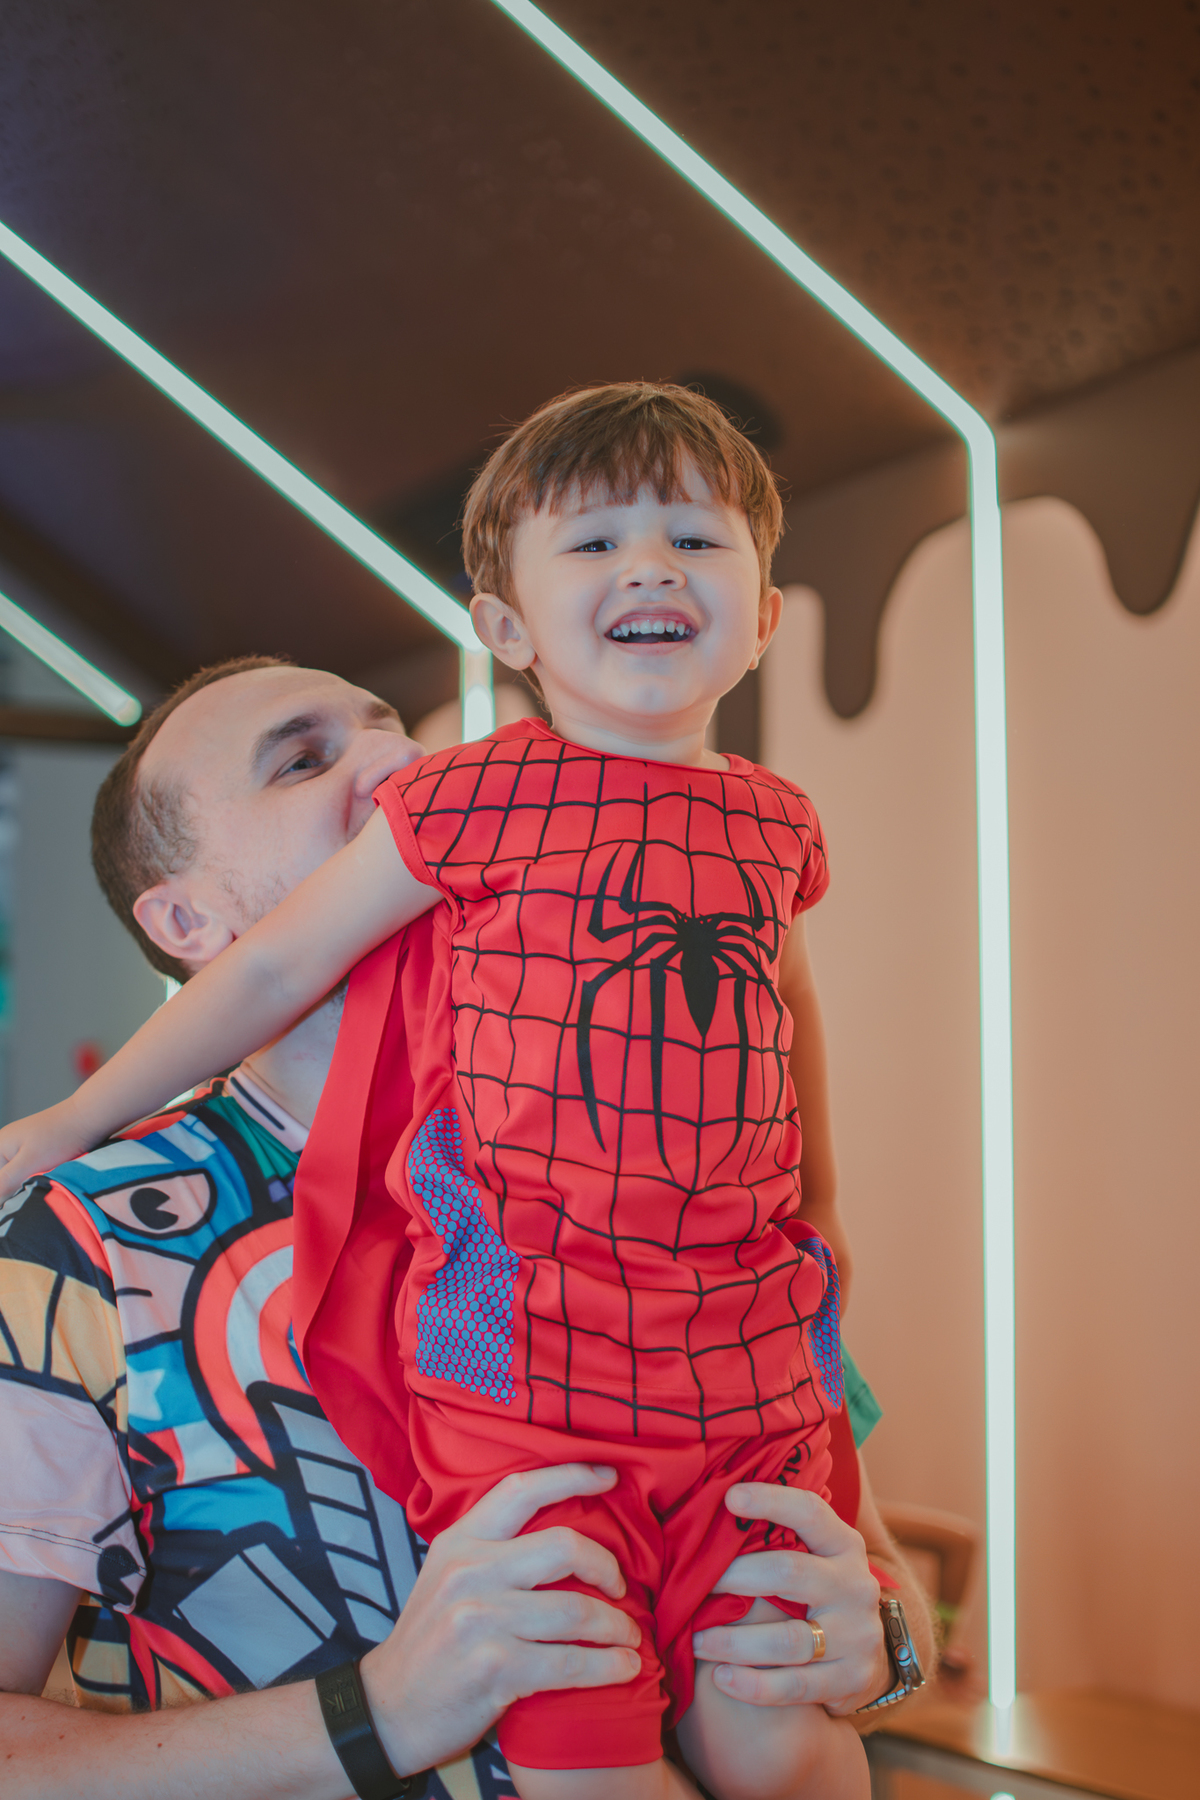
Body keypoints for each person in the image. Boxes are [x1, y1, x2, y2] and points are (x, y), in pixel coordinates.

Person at [0, 386, 878, 1798]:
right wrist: (378, 1714)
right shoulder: (79, 1247)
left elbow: (859, 1573)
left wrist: (872, 1644)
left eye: (389, 732)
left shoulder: (659, 1195)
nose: (400, 772)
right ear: (187, 928)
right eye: (305, 762)